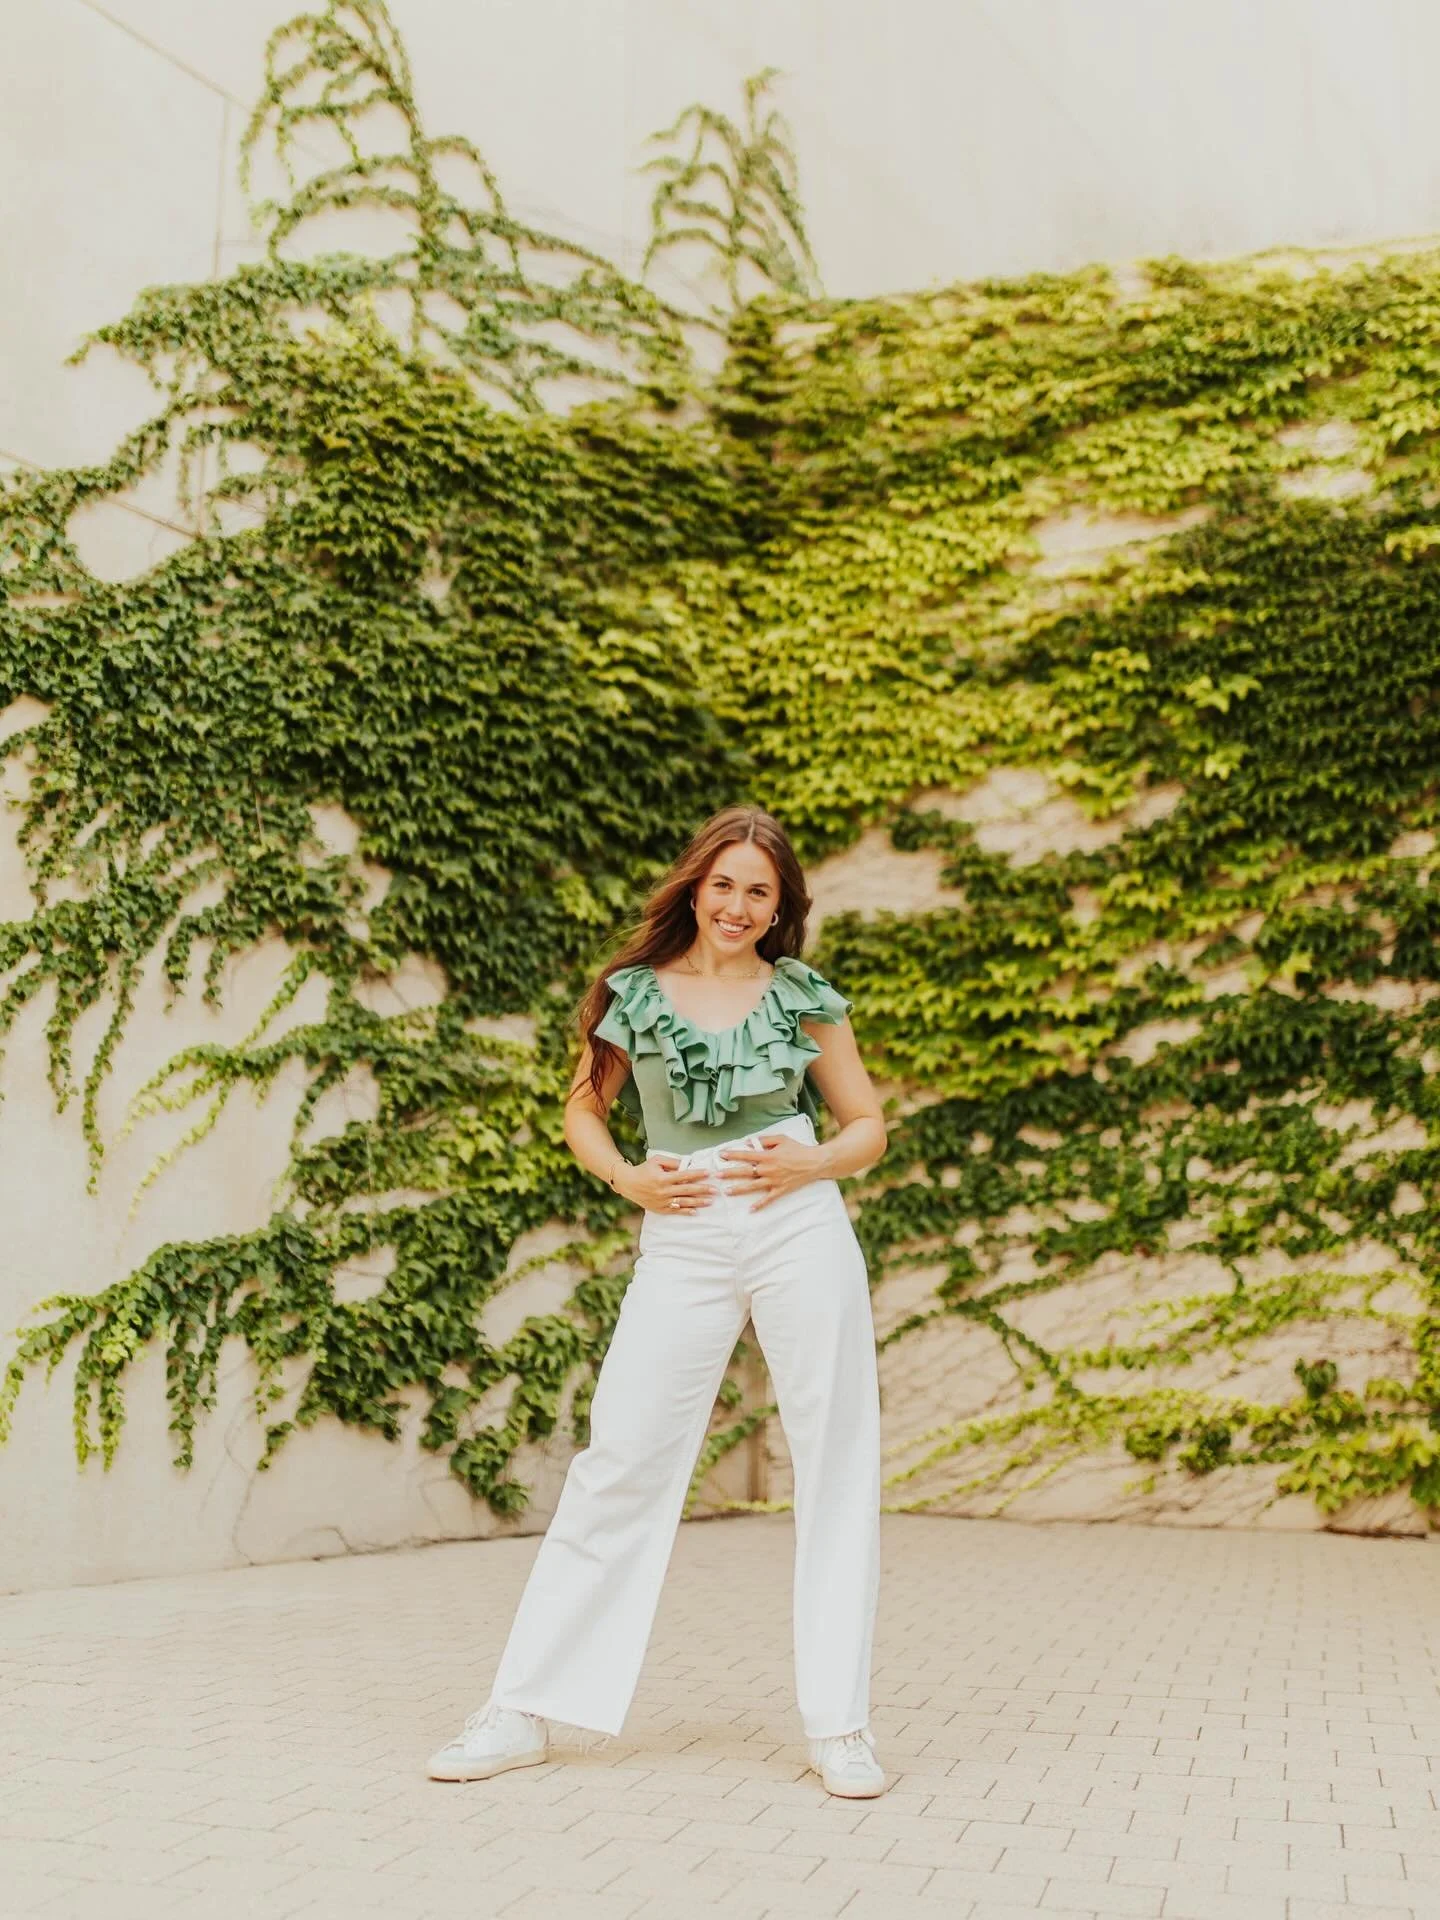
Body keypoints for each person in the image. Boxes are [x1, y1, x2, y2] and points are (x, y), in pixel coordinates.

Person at [427, 805, 889, 1797]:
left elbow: (867, 1126)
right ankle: (522, 1710)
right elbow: (584, 1110)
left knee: (836, 1454)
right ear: (695, 886)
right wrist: (631, 1182)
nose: (737, 904)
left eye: (758, 891)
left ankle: (840, 1726)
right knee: (620, 1460)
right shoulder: (633, 994)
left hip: (800, 1225)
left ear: (779, 907)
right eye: (723, 884)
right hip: (681, 1235)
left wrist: (813, 1161)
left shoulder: (805, 997)